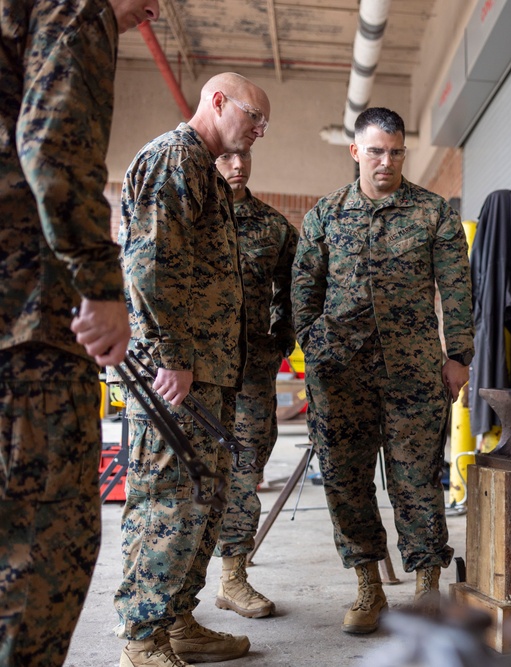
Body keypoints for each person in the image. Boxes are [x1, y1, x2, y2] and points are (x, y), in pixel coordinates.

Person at [0, 1, 158, 664]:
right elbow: (54, 144)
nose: (152, 10)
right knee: (39, 557)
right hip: (28, 325)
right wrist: (100, 285)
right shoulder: (75, 5)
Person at [292, 106, 474, 635]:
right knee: (346, 482)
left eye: (395, 152)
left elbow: (456, 288)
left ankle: (426, 588)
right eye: (375, 151)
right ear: (356, 152)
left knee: (416, 481)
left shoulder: (433, 213)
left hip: (413, 371)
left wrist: (458, 355)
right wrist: (315, 344)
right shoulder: (325, 215)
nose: (386, 162)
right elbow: (304, 288)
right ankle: (368, 588)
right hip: (339, 375)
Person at [115, 72, 271, 667]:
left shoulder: (206, 170)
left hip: (209, 374)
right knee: (167, 504)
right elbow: (147, 270)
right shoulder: (174, 159)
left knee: (201, 503)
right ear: (217, 101)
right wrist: (173, 357)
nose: (259, 129)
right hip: (176, 378)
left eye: (264, 124)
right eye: (252, 116)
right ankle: (142, 638)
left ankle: (178, 619)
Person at [211, 150, 298, 619]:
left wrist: (280, 337)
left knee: (244, 470)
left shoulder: (273, 227)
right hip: (195, 374)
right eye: (226, 155)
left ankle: (232, 579)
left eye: (243, 154)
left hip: (250, 373)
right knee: (187, 476)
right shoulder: (191, 211)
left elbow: (296, 288)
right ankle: (174, 594)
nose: (237, 164)